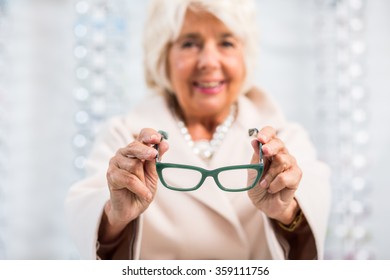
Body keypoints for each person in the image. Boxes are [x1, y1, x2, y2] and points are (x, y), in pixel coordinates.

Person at [66, 0, 331, 260]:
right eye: (189, 43)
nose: (208, 61)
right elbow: (91, 231)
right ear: (163, 56)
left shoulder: (287, 140)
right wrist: (117, 216)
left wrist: (287, 214)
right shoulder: (121, 139)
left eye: (226, 43)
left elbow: (309, 249)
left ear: (244, 56)